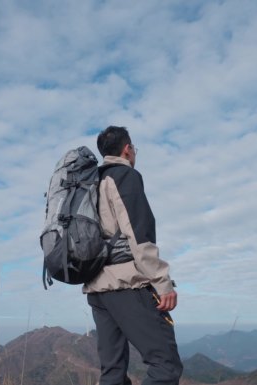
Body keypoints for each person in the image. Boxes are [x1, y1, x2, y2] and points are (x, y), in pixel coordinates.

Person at [84, 126, 183, 385]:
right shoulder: (125, 176)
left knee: (113, 373)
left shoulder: (89, 183)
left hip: (96, 290)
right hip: (126, 285)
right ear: (127, 149)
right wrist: (163, 282)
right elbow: (139, 235)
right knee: (166, 366)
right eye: (134, 149)